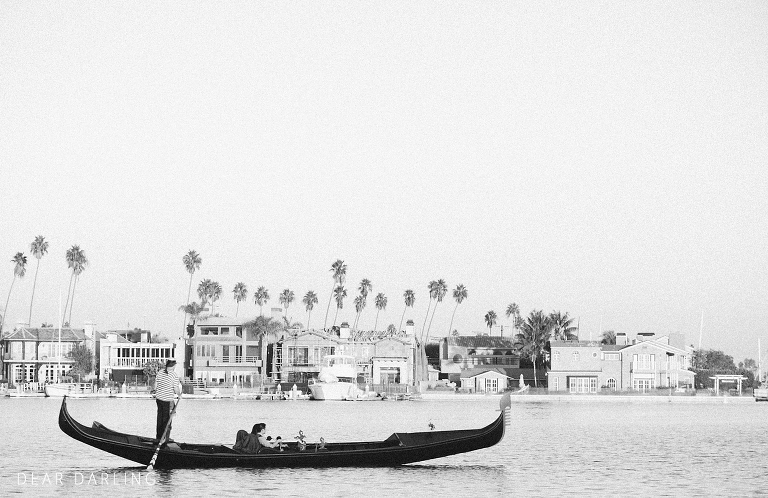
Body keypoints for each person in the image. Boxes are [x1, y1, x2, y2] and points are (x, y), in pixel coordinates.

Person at [154, 359, 182, 442]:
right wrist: (179, 395)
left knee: (160, 418)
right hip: (167, 400)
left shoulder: (160, 372)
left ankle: (159, 437)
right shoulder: (174, 375)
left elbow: (155, 386)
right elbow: (176, 388)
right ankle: (165, 438)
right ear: (173, 366)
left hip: (159, 399)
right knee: (167, 420)